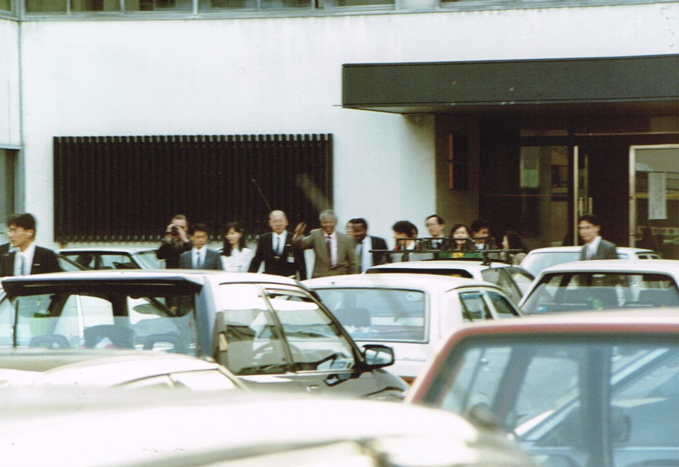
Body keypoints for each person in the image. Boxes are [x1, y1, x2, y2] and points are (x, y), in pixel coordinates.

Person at [293, 210, 358, 278]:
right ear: (321, 223)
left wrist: (353, 278)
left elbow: (353, 263)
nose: (327, 225)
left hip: (340, 278)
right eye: (325, 222)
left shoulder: (346, 239)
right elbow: (301, 245)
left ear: (335, 222)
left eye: (330, 222)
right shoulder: (315, 235)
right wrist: (298, 235)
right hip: (320, 277)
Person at [248, 210, 307, 279]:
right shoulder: (264, 238)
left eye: (280, 221)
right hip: (270, 279)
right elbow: (257, 260)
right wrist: (249, 277)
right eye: (274, 221)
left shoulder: (293, 239)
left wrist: (304, 281)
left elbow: (301, 263)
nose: (278, 224)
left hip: (289, 279)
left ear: (286, 222)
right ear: (270, 223)